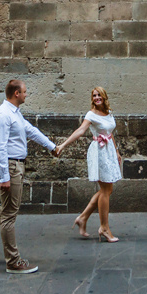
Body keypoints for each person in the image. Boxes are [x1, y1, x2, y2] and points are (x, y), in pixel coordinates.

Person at [0, 79, 58, 274]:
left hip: (17, 166)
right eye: (24, 92)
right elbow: (0, 148)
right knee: (9, 214)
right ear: (16, 93)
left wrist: (52, 147)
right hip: (11, 166)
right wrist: (4, 177)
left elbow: (31, 131)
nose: (26, 95)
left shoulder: (14, 113)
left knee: (7, 208)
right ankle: (13, 261)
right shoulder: (2, 115)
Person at [55, 86, 123, 242]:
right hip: (98, 153)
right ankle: (104, 228)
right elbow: (80, 130)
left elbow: (110, 133)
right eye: (94, 95)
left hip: (109, 151)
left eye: (99, 95)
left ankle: (83, 218)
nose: (96, 97)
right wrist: (63, 145)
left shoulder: (108, 112)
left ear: (104, 96)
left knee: (107, 189)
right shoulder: (91, 114)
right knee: (106, 190)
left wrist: (117, 151)